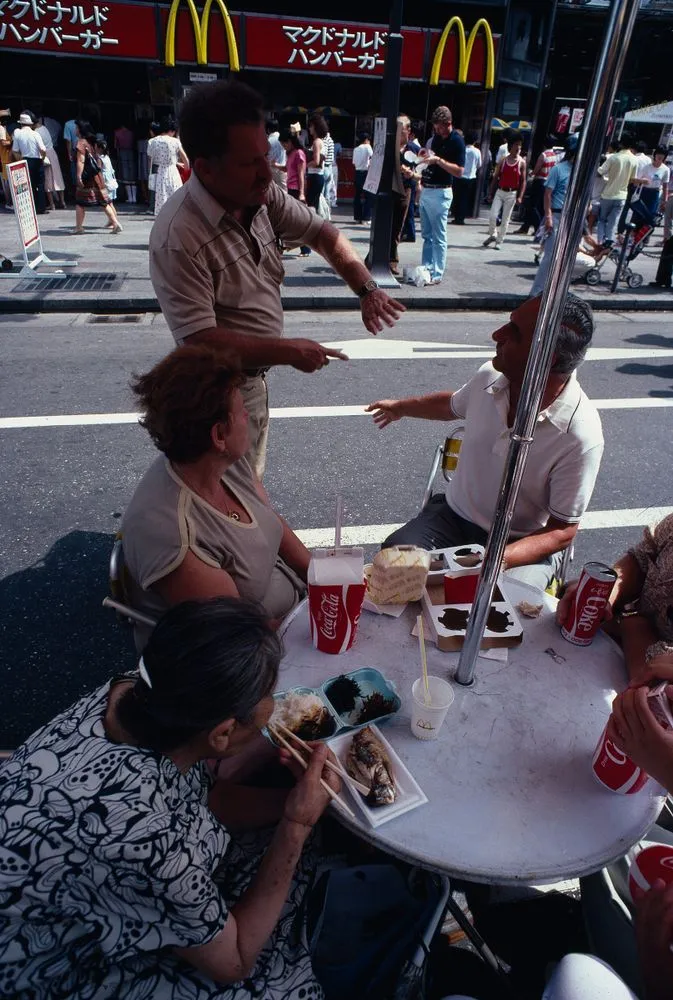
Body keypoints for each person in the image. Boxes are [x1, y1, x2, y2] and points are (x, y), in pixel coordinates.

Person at [0, 596, 340, 999]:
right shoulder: (143, 835)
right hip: (45, 967)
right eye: (270, 695)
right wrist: (296, 825)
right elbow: (234, 961)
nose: (274, 704)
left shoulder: (139, 689)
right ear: (223, 734)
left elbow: (202, 796)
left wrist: (296, 803)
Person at [148, 80, 404, 480]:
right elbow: (200, 340)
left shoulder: (262, 196)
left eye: (265, 156)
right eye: (249, 163)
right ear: (204, 168)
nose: (266, 172)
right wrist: (288, 351)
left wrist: (366, 288)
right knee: (233, 504)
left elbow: (323, 234)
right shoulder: (177, 236)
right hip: (218, 393)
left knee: (248, 489)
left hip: (253, 383)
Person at [366, 294, 604, 592]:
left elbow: (563, 530)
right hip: (452, 520)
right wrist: (400, 408)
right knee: (393, 573)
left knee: (506, 603)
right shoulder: (490, 376)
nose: (497, 335)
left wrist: (497, 560)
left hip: (520, 544)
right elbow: (451, 405)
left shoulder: (579, 434)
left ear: (547, 358)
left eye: (514, 332)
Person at [121, 344, 310, 650]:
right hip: (242, 654)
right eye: (241, 410)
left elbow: (268, 518)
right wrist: (322, 623)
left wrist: (320, 577)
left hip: (292, 608)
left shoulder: (219, 463)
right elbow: (242, 635)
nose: (249, 414)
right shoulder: (174, 536)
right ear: (219, 435)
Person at [558, 513, 673, 687]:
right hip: (625, 633)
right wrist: (603, 594)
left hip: (638, 682)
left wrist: (629, 621)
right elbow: (642, 558)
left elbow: (652, 677)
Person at [417, 105, 466, 285]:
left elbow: (460, 171)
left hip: (442, 190)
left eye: (439, 127)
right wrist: (425, 155)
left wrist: (438, 160)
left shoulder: (457, 141)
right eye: (435, 127)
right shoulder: (435, 139)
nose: (436, 130)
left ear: (448, 124)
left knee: (438, 235)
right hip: (428, 187)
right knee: (427, 234)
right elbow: (429, 156)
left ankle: (437, 272)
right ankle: (426, 267)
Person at [530, 134, 579, 297]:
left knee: (565, 257)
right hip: (557, 215)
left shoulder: (579, 171)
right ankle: (537, 291)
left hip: (570, 217)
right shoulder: (559, 169)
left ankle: (554, 290)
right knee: (550, 256)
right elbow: (547, 194)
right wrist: (549, 217)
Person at [74, 119, 122, 235]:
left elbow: (81, 160)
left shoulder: (81, 142)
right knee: (103, 201)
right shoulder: (93, 141)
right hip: (97, 175)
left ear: (80, 130)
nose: (75, 130)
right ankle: (115, 223)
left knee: (80, 202)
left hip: (87, 176)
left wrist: (79, 176)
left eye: (76, 128)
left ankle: (79, 227)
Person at [483, 132, 526, 249]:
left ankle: (499, 241)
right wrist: (490, 193)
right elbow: (496, 177)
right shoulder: (503, 160)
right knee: (493, 216)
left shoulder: (522, 162)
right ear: (510, 146)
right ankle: (493, 234)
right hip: (500, 191)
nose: (518, 148)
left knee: (505, 219)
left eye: (520, 145)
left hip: (512, 194)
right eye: (516, 145)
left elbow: (523, 181)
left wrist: (520, 196)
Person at [596, 138, 638, 246]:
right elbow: (633, 179)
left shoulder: (613, 158)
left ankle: (600, 241)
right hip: (622, 195)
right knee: (613, 221)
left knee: (602, 220)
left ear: (621, 144)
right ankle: (609, 240)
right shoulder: (634, 160)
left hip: (608, 194)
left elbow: (600, 171)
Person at [517, 136, 558, 235]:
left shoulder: (543, 155)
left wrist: (531, 173)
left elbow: (536, 170)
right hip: (549, 183)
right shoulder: (555, 155)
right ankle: (526, 227)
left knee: (532, 206)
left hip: (540, 181)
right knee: (540, 206)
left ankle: (538, 227)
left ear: (544, 144)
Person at [150, 115, 189, 217]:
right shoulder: (175, 141)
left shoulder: (152, 142)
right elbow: (185, 159)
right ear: (172, 130)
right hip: (173, 172)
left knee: (162, 198)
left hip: (160, 173)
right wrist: (186, 169)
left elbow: (151, 160)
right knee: (176, 197)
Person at [11, 111, 47, 214]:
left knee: (28, 185)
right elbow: (43, 149)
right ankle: (41, 207)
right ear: (31, 123)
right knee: (40, 184)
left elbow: (15, 150)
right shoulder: (35, 134)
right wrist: (43, 158)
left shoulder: (17, 133)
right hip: (37, 160)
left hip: (25, 160)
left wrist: (20, 161)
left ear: (21, 123)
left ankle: (31, 207)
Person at [36, 116, 66, 210]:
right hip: (53, 152)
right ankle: (62, 202)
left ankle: (52, 204)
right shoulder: (44, 128)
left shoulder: (36, 132)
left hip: (45, 155)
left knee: (48, 179)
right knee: (58, 178)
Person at [452, 131, 481, 225]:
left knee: (457, 197)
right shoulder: (477, 151)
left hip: (459, 176)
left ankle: (457, 216)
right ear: (475, 141)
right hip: (471, 177)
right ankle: (462, 217)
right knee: (466, 198)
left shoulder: (463, 149)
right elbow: (479, 164)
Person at [352, 131, 373, 224]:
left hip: (357, 172)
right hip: (366, 173)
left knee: (357, 196)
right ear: (366, 140)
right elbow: (373, 156)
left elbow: (354, 162)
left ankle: (357, 217)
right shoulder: (368, 147)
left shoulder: (356, 149)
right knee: (368, 196)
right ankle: (366, 217)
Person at [114, 122, 137, 203]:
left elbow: (116, 146)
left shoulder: (117, 133)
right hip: (131, 152)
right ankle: (134, 198)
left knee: (125, 175)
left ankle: (130, 198)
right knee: (132, 175)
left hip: (122, 153)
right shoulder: (131, 133)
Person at [96, 136, 118, 214]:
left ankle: (113, 220)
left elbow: (98, 170)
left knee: (107, 203)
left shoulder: (99, 158)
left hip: (105, 183)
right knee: (110, 202)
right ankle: (112, 220)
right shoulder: (107, 157)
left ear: (100, 148)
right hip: (111, 181)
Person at [266, 117, 287, 193]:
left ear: (268, 129)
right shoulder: (283, 138)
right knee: (284, 192)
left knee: (272, 193)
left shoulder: (267, 141)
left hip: (271, 169)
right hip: (282, 168)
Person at [0, 108, 13, 207]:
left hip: (4, 158)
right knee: (7, 182)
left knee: (6, 182)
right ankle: (8, 203)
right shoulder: (1, 128)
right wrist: (13, 140)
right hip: (5, 158)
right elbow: (4, 143)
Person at [63, 115, 78, 187]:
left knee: (74, 170)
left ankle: (76, 186)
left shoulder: (68, 124)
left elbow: (68, 141)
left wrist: (69, 154)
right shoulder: (82, 122)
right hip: (84, 148)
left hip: (75, 150)